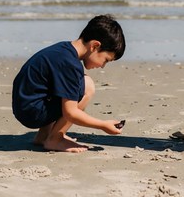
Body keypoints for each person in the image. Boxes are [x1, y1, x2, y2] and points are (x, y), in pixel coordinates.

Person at [12, 14, 126, 153]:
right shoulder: (70, 64)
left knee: (74, 83)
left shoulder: (64, 50)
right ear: (95, 46)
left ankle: (43, 136)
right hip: (32, 112)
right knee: (87, 85)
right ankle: (54, 139)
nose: (103, 66)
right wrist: (103, 125)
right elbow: (71, 113)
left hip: (25, 105)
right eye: (106, 60)